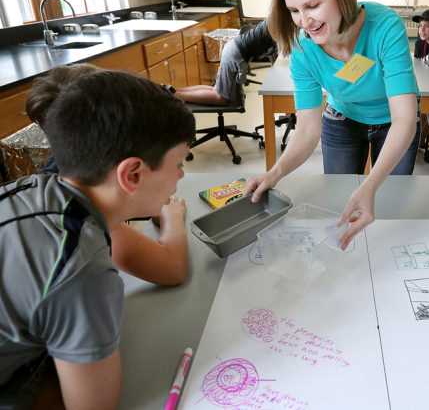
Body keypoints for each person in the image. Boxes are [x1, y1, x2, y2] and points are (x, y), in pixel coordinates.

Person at [0, 65, 195, 409]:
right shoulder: (81, 270)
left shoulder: (34, 187)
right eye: (178, 162)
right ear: (132, 173)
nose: (181, 174)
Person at [247, 0, 420, 248]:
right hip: (342, 118)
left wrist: (370, 185)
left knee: (388, 200)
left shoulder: (384, 26)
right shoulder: (302, 49)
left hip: (392, 123)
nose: (304, 21)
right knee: (340, 200)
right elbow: (307, 130)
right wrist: (274, 174)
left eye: (312, 6)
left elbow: (405, 120)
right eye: (294, 11)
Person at [28, 65, 191, 287]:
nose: (180, 173)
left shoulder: (59, 182)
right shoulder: (83, 230)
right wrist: (172, 216)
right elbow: (172, 270)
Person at [173, 20, 277, 104]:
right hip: (235, 52)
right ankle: (176, 96)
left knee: (216, 90)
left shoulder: (274, 20)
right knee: (221, 98)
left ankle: (175, 91)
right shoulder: (278, 25)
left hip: (233, 48)